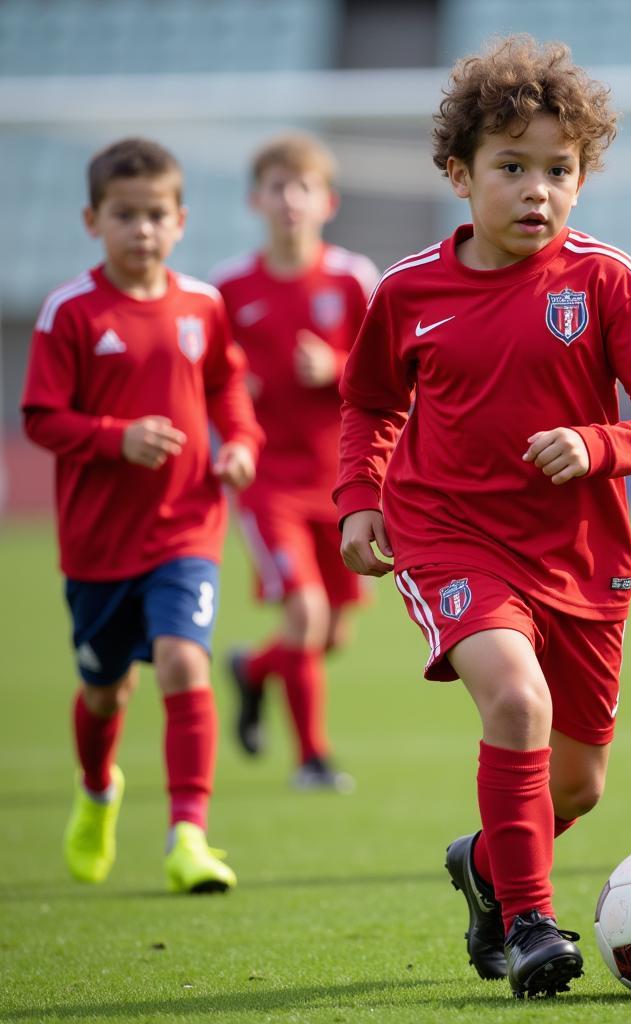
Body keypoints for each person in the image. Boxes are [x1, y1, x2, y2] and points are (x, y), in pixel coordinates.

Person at [334, 35, 631, 998]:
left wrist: (598, 444)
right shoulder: (408, 292)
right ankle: (531, 923)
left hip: (582, 558)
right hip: (449, 534)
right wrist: (358, 501)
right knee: (518, 703)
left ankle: (488, 867)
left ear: (583, 178)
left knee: (577, 785)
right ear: (460, 176)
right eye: (511, 168)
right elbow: (371, 403)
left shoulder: (605, 282)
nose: (536, 189)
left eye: (559, 169)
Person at [21, 137, 264, 892]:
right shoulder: (70, 311)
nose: (143, 230)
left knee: (184, 660)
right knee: (105, 692)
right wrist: (113, 438)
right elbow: (40, 418)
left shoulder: (203, 304)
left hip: (186, 528)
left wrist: (242, 444)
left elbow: (228, 389)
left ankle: (187, 835)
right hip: (97, 547)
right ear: (94, 220)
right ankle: (98, 791)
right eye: (125, 215)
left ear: (181, 219)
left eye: (156, 214)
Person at [212, 134, 378, 791]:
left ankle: (253, 671)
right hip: (268, 482)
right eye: (277, 187)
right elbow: (205, 376)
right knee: (305, 616)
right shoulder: (228, 288)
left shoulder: (352, 277)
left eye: (302, 188)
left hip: (342, 480)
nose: (289, 200)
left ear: (327, 202)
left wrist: (334, 368)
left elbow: (387, 372)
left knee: (332, 634)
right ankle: (312, 760)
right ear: (256, 199)